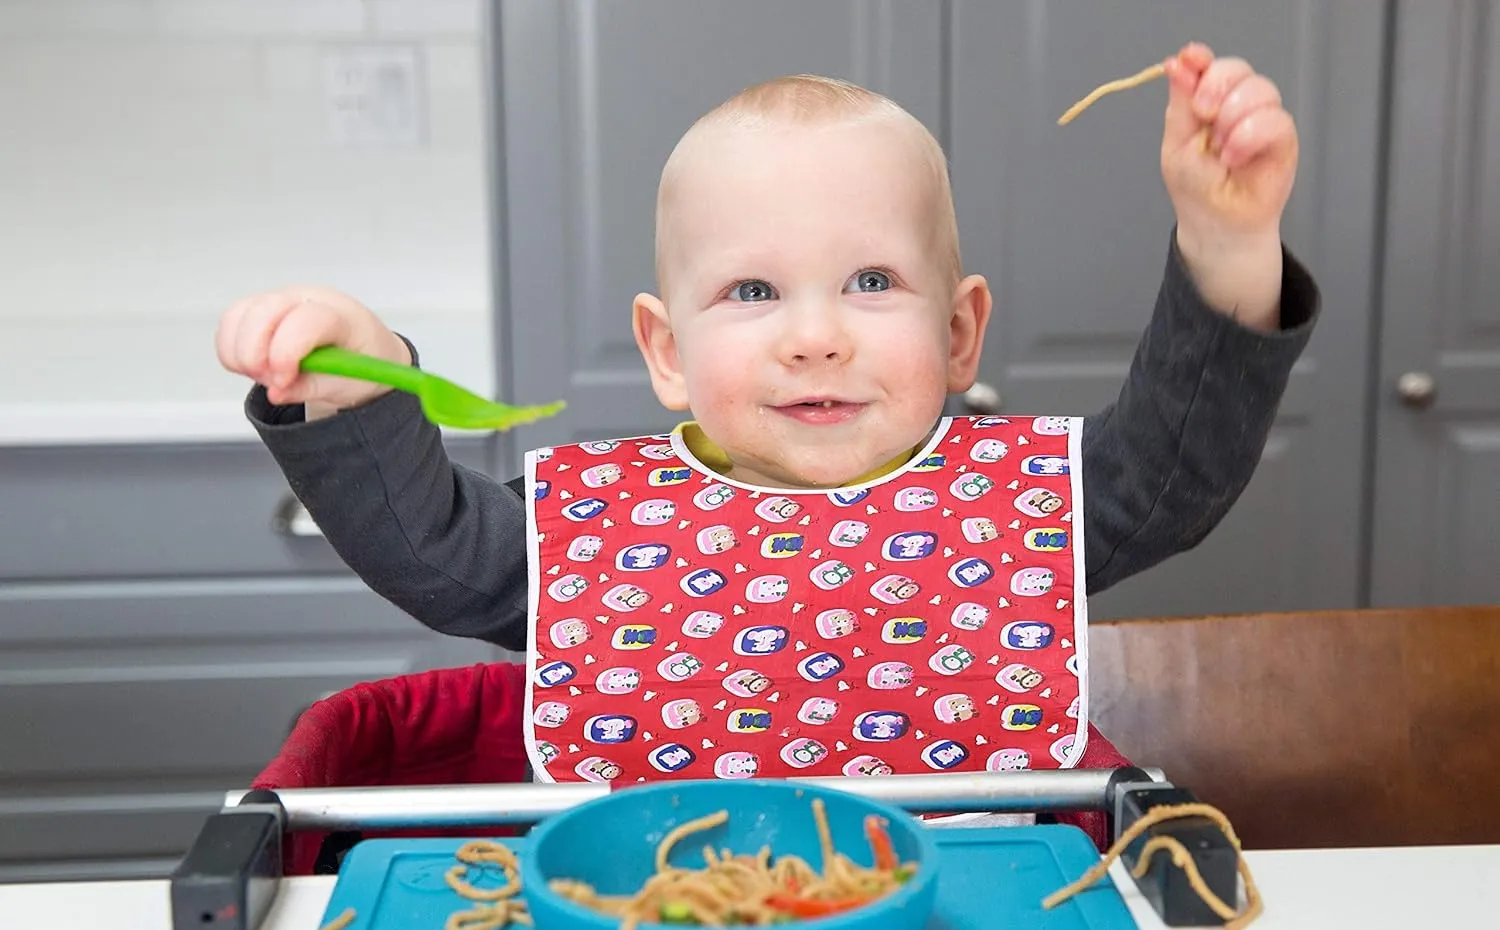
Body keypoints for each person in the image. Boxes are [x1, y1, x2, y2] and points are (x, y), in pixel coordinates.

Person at [225, 43, 1320, 867]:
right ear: (665, 349)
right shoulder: (609, 527)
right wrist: (353, 390)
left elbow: (1173, 471)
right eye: (753, 291)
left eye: (872, 282)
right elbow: (432, 549)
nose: (814, 334)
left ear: (958, 335)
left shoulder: (1010, 502)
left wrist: (1227, 247)